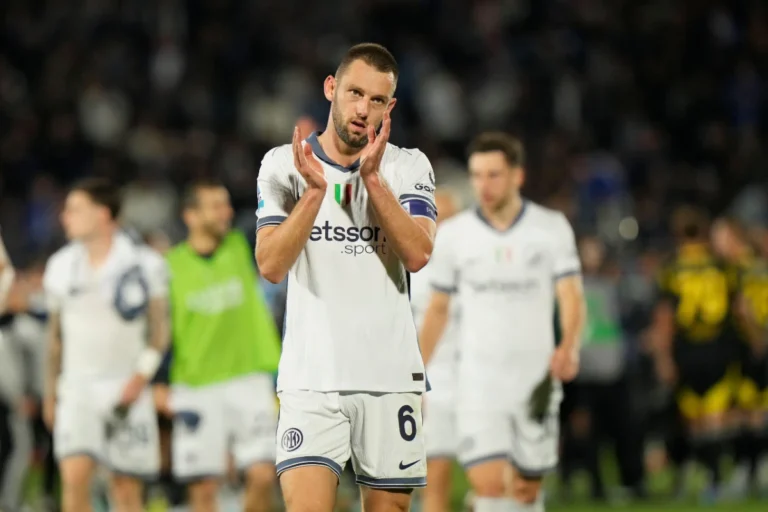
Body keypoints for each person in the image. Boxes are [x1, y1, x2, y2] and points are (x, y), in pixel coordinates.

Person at [256, 43, 437, 512]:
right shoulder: (283, 164)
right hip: (311, 378)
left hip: (390, 376)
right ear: (331, 88)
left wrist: (373, 181)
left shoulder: (408, 166)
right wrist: (315, 192)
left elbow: (418, 253)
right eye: (355, 93)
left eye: (377, 100)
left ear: (390, 107)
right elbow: (271, 265)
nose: (363, 109)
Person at [419, 132, 586, 512]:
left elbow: (571, 295)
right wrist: (415, 372)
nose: (484, 184)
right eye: (477, 175)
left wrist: (570, 345)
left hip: (535, 381)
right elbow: (438, 310)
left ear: (517, 176)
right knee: (491, 484)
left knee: (526, 491)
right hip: (478, 383)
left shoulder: (550, 228)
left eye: (494, 174)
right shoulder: (454, 236)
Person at [42, 178, 170, 512]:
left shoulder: (145, 264)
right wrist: (50, 395)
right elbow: (54, 340)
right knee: (74, 477)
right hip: (77, 389)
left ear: (101, 214)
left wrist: (141, 378)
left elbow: (161, 331)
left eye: (74, 209)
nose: (65, 217)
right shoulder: (59, 267)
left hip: (126, 388)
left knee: (126, 489)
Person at [154, 179, 282, 512]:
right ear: (190, 216)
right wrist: (158, 382)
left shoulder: (242, 245)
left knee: (263, 474)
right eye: (214, 206)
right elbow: (160, 329)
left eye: (226, 205)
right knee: (203, 490)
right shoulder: (169, 268)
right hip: (195, 385)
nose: (225, 212)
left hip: (250, 378)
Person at [651, 206, 736, 502]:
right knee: (715, 417)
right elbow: (740, 309)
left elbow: (664, 316)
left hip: (686, 349)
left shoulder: (672, 266)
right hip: (716, 347)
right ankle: (714, 477)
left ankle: (692, 473)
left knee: (691, 419)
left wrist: (663, 357)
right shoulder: (721, 266)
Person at [409, 189, 461, 512]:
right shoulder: (413, 266)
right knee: (433, 473)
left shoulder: (471, 266)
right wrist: (416, 376)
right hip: (432, 377)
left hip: (468, 375)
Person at [711, 217, 768, 496]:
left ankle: (747, 471)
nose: (714, 243)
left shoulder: (740, 269)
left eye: (719, 236)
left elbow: (743, 308)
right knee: (753, 411)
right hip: (754, 343)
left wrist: (756, 338)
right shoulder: (755, 266)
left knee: (746, 412)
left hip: (748, 347)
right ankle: (753, 472)